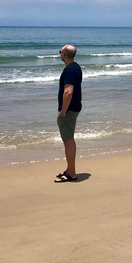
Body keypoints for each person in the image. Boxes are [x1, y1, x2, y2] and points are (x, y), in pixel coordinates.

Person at [55, 44, 83, 182]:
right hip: (75, 108)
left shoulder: (70, 70)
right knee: (69, 139)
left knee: (68, 140)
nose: (60, 54)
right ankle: (69, 169)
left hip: (69, 110)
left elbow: (68, 92)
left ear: (64, 54)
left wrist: (63, 111)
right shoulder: (76, 67)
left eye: (60, 51)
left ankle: (71, 173)